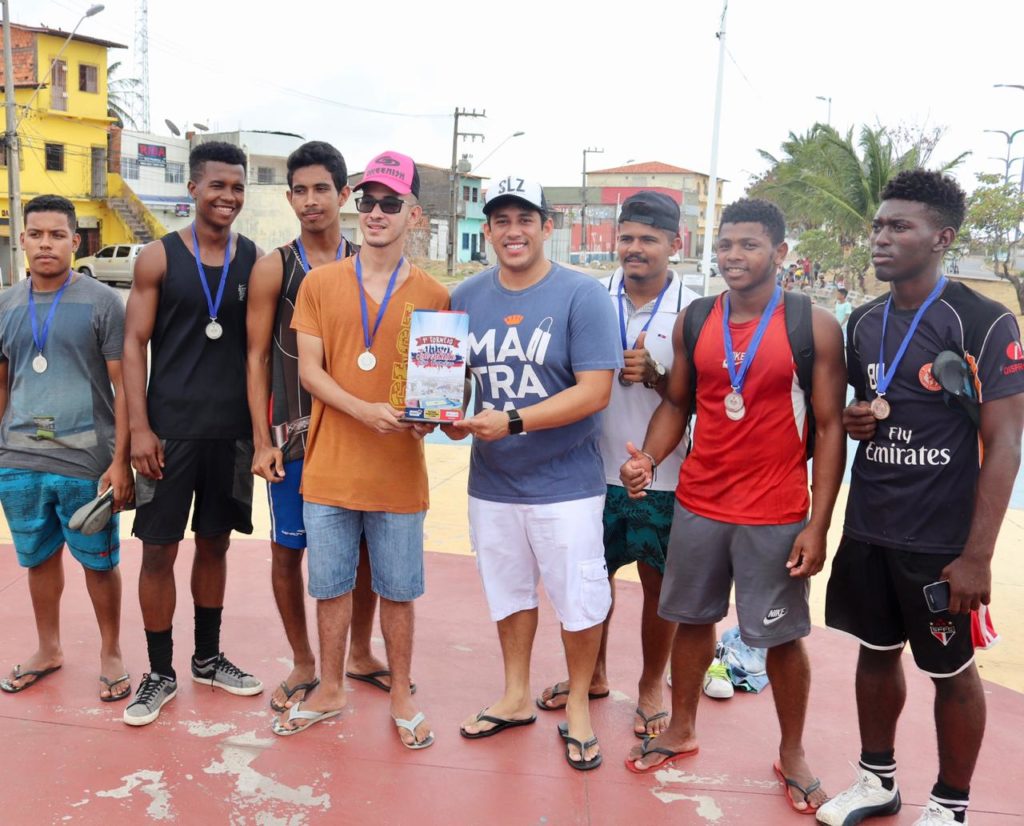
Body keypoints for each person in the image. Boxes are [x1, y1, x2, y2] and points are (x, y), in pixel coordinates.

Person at [620, 198, 846, 814]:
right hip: (699, 499)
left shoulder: (813, 325)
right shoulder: (696, 319)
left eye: (748, 245)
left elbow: (829, 429)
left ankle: (793, 749)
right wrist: (650, 460)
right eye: (725, 245)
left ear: (779, 253)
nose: (733, 257)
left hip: (774, 510)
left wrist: (818, 524)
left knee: (781, 636)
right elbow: (678, 404)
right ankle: (683, 725)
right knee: (692, 619)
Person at [816, 170, 1024, 826]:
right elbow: (866, 404)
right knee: (874, 654)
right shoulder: (864, 321)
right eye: (878, 225)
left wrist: (977, 557)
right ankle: (877, 781)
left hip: (940, 546)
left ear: (943, 238)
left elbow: (1008, 442)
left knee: (950, 669)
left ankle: (951, 805)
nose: (881, 238)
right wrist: (857, 417)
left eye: (899, 227)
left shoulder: (984, 321)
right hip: (872, 525)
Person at [275, 150, 447, 748]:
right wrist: (363, 410)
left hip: (399, 471)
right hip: (329, 466)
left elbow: (439, 384)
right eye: (368, 201)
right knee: (329, 584)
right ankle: (329, 686)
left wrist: (430, 418)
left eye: (390, 203)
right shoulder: (320, 283)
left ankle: (401, 694)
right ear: (356, 203)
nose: (376, 213)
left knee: (398, 590)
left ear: (414, 214)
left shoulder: (435, 295)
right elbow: (310, 373)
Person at [452, 175, 621, 772]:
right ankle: (516, 694)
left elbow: (595, 391)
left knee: (578, 597)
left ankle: (577, 704)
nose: (513, 231)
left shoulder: (582, 296)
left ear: (548, 227)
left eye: (525, 219)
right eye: (501, 220)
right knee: (509, 592)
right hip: (493, 482)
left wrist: (516, 422)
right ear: (489, 229)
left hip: (566, 485)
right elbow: (458, 384)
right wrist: (448, 416)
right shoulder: (466, 297)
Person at [534, 191, 697, 739]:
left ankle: (651, 684)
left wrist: (656, 376)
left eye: (649, 239)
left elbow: (700, 398)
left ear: (676, 244)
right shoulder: (586, 298)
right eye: (626, 237)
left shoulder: (695, 311)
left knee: (659, 588)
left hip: (666, 474)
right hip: (586, 470)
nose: (635, 248)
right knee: (589, 581)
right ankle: (593, 675)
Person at [246, 141, 399, 715]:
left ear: (344, 195)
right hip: (294, 436)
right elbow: (256, 357)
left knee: (359, 553)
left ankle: (358, 651)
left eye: (322, 190)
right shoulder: (274, 267)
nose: (311, 202)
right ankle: (305, 662)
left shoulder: (372, 259)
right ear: (289, 198)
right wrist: (262, 442)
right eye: (300, 191)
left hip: (359, 435)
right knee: (289, 552)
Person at [122, 141, 263, 726]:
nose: (227, 197)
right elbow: (133, 344)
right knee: (159, 551)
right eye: (217, 186)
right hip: (168, 435)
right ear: (193, 189)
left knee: (215, 544)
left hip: (229, 434)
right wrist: (139, 429)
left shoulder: (254, 258)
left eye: (237, 187)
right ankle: (160, 671)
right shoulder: (156, 258)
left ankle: (208, 658)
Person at [0, 195, 133, 702]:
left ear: (75, 242)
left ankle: (111, 651)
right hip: (17, 459)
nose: (46, 243)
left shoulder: (102, 302)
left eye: (57, 235)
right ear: (23, 239)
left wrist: (119, 462)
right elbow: (3, 382)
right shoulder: (6, 304)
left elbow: (124, 389)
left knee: (99, 560)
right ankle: (48, 648)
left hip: (86, 460)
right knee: (36, 559)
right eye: (37, 234)